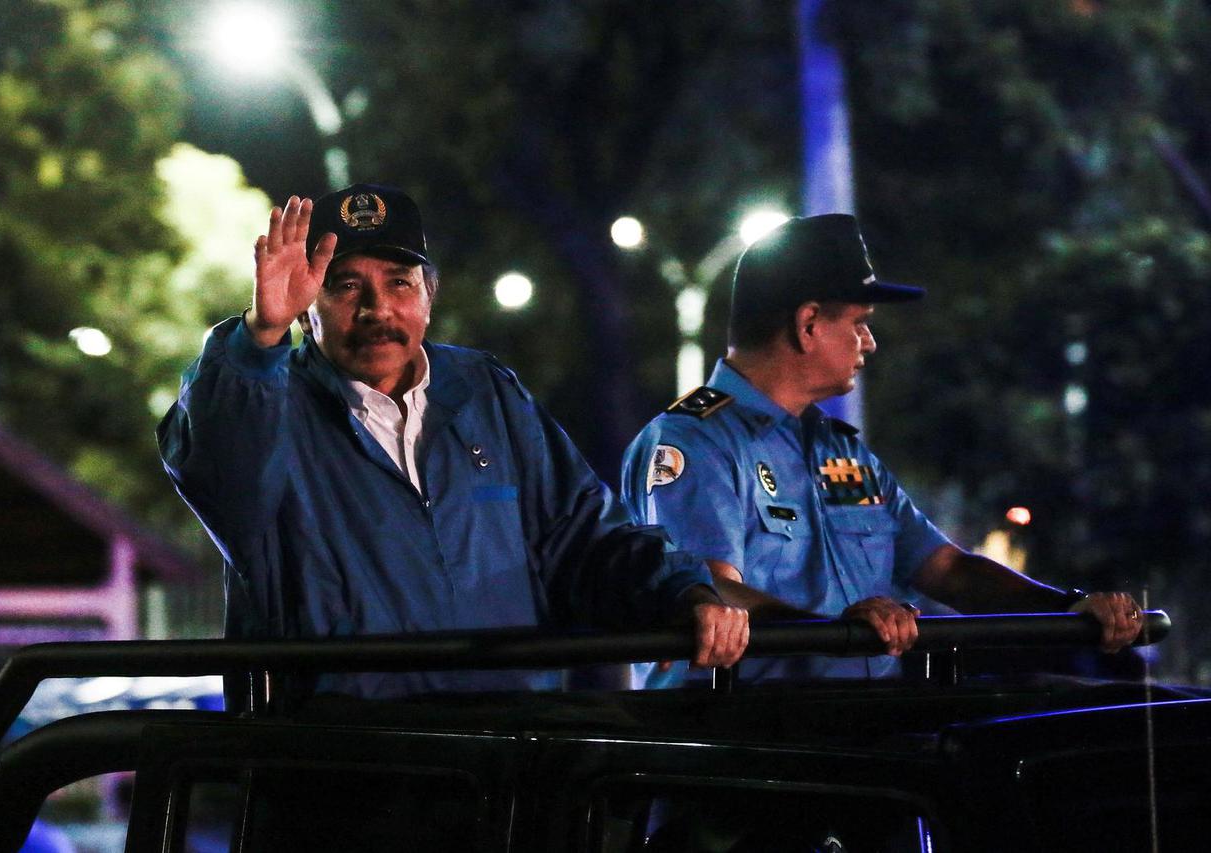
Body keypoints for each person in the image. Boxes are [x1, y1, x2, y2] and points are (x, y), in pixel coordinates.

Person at [157, 183, 747, 700]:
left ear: (430, 295)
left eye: (399, 283)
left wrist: (680, 591)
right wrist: (260, 334)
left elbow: (581, 536)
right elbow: (222, 482)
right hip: (341, 764)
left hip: (506, 753)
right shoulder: (262, 398)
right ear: (309, 305)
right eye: (345, 286)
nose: (377, 309)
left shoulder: (485, 391)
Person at [621, 213, 1143, 686]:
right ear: (807, 325)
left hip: (860, 730)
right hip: (742, 742)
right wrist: (837, 633)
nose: (868, 342)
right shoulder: (695, 439)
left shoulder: (838, 450)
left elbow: (947, 569)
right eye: (858, 322)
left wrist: (1073, 610)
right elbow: (708, 590)